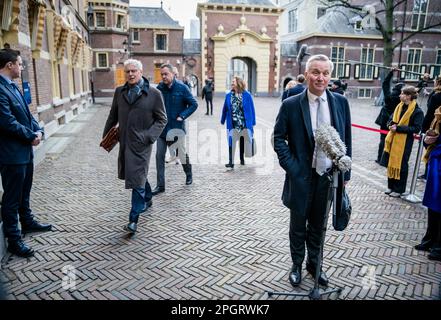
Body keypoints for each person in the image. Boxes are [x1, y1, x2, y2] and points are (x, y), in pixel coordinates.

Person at [273, 54, 352, 288]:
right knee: (298, 225)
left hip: (328, 178)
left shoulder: (340, 102)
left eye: (325, 73)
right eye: (316, 72)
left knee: (319, 225)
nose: (320, 77)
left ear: (330, 76)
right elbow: (278, 139)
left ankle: (314, 264)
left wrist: (345, 174)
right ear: (307, 74)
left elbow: (346, 137)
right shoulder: (290, 104)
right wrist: (293, 167)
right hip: (300, 178)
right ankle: (296, 264)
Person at [102, 59, 167, 234]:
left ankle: (133, 220)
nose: (130, 74)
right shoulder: (119, 92)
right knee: (136, 175)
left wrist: (149, 137)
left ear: (140, 72)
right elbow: (112, 116)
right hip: (125, 142)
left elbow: (162, 119)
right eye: (127, 71)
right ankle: (148, 197)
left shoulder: (154, 94)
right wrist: (106, 135)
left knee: (136, 178)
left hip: (142, 145)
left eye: (133, 71)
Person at [0, 48, 52, 257]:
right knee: (12, 197)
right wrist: (31, 136)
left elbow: (26, 114)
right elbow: (6, 122)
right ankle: (14, 239)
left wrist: (37, 129)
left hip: (23, 152)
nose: (22, 67)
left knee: (25, 191)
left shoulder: (13, 86)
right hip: (11, 154)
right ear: (10, 65)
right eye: (20, 64)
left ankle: (27, 222)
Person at [152, 63, 198, 195]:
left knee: (181, 154)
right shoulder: (159, 89)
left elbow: (193, 104)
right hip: (162, 130)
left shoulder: (182, 88)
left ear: (173, 74)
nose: (163, 77)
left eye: (166, 74)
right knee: (159, 156)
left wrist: (182, 116)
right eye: (162, 74)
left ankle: (188, 174)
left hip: (176, 129)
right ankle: (160, 186)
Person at [381, 86, 424, 198]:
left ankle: (399, 189)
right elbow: (390, 120)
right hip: (393, 139)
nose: (400, 95)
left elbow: (416, 128)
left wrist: (398, 128)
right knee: (391, 162)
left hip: (405, 142)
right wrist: (390, 125)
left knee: (401, 165)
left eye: (402, 94)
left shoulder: (417, 111)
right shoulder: (398, 107)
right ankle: (391, 186)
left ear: (408, 96)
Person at [415, 106, 441, 260]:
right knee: (433, 202)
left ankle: (439, 245)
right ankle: (430, 238)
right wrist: (427, 140)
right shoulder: (438, 110)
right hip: (436, 161)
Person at [221, 76, 256, 169]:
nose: (232, 83)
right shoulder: (228, 95)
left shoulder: (247, 95)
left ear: (239, 83)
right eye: (232, 82)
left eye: (233, 82)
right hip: (232, 123)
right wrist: (222, 119)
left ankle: (241, 159)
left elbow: (252, 109)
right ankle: (230, 162)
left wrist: (253, 123)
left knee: (242, 141)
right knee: (231, 142)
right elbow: (225, 108)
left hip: (244, 123)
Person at [375, 69, 404, 165]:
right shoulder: (402, 99)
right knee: (390, 140)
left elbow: (385, 84)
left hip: (384, 120)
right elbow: (414, 91)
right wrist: (423, 82)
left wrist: (391, 72)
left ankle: (380, 159)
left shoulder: (389, 96)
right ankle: (386, 160)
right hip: (394, 121)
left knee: (383, 140)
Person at [418, 76, 441, 180]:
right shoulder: (435, 95)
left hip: (434, 128)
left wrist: (423, 130)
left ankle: (428, 174)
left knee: (431, 151)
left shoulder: (437, 96)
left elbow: (430, 114)